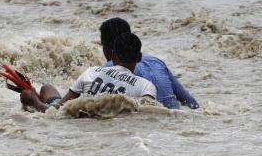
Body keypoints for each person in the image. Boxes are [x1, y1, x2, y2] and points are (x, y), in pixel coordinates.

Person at [21, 33, 157, 113]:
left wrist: (35, 101)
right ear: (139, 57)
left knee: (46, 88)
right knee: (47, 89)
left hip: (80, 119)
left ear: (113, 56)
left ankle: (34, 96)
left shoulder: (91, 72)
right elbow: (148, 115)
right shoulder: (146, 87)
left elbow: (59, 109)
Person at [100, 18, 200, 109]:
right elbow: (190, 102)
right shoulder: (156, 62)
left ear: (107, 48)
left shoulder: (109, 69)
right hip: (175, 120)